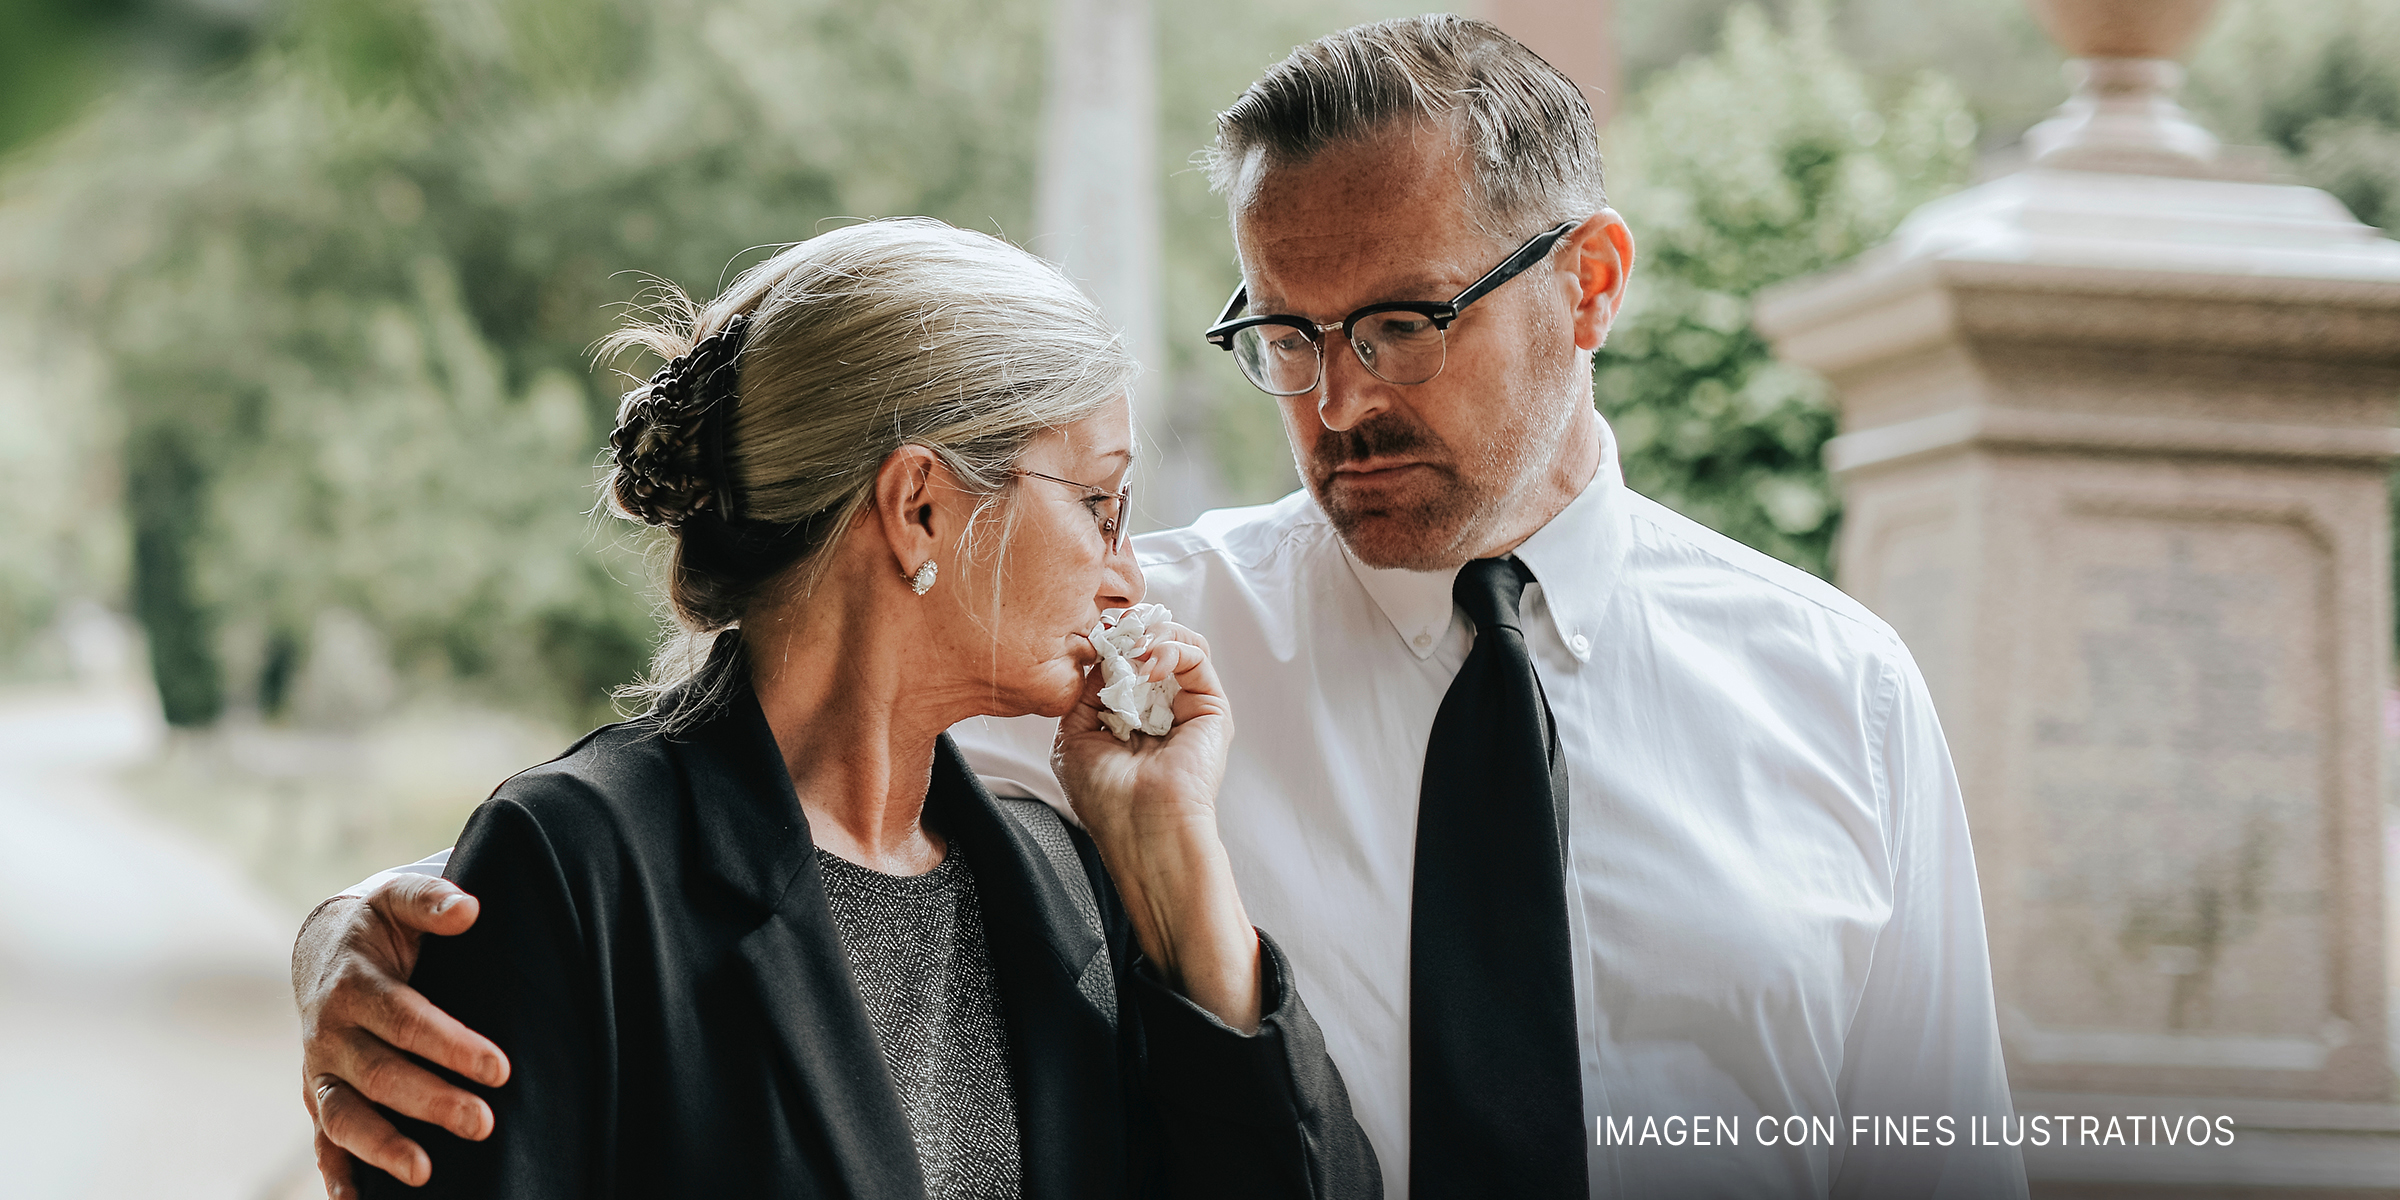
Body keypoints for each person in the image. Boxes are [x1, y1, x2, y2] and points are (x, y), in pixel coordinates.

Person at [295, 17, 2025, 1199]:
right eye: (1285, 332)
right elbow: (754, 761)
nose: (1337, 402)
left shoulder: (1843, 692)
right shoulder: (1120, 681)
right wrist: (358, 946)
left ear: (1589, 284)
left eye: (1401, 325)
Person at [311, 217, 1379, 1198]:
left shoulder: (1062, 879)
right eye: (1100, 505)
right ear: (919, 508)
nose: (1126, 577)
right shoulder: (574, 865)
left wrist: (1172, 856)